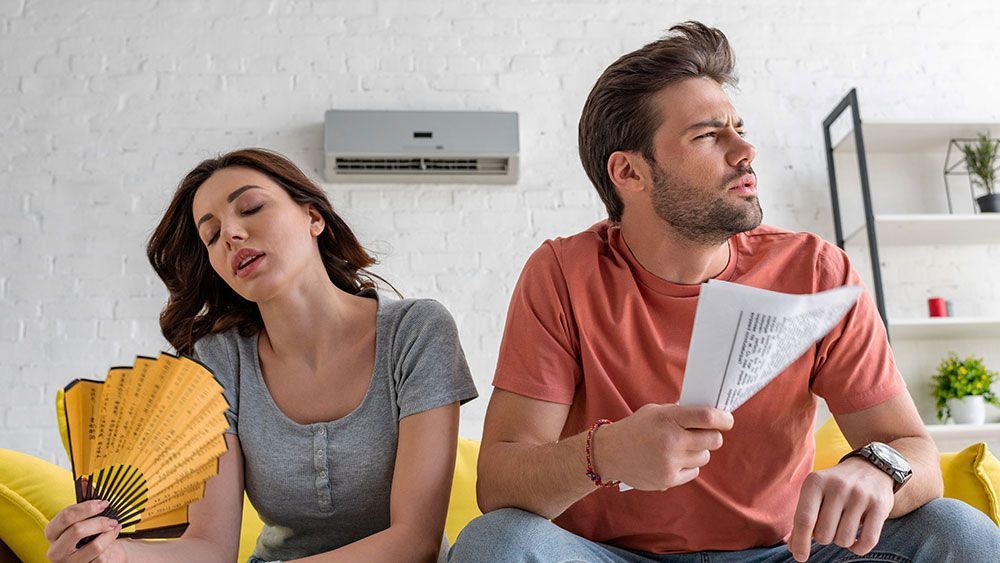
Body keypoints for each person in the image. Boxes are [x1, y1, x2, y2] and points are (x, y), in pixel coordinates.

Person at [450, 21, 1000, 563]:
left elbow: (917, 452)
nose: (745, 150)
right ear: (629, 172)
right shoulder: (563, 274)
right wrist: (606, 454)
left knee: (959, 532)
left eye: (738, 128)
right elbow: (499, 483)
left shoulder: (816, 270)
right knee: (495, 543)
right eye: (709, 135)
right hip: (605, 556)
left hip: (788, 554)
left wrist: (877, 469)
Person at [44, 148, 478, 562]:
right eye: (211, 235)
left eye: (251, 208)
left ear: (313, 217)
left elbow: (414, 543)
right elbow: (209, 549)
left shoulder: (417, 332)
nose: (231, 234)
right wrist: (116, 554)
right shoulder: (219, 362)